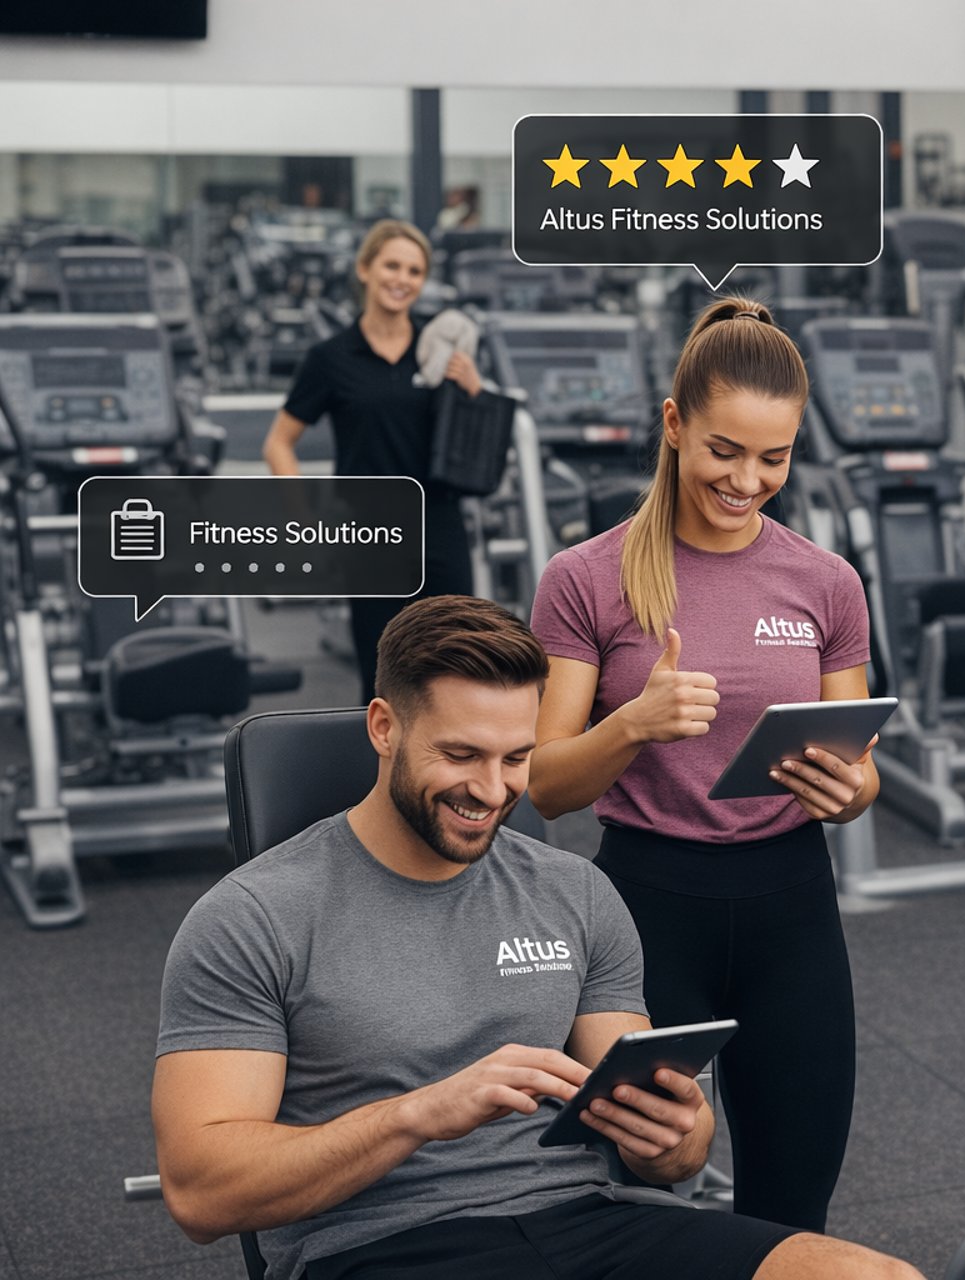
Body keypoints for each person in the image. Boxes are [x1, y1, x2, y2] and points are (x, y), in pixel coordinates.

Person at [152, 596, 918, 1280]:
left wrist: (676, 1135)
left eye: (516, 758)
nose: (492, 791)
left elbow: (675, 1157)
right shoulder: (251, 917)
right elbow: (200, 1192)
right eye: (460, 755)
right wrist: (420, 1113)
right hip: (381, 1245)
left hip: (591, 1224)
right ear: (384, 728)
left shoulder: (575, 892)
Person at [527, 296, 877, 1232]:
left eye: (776, 457)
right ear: (676, 426)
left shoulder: (827, 582)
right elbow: (547, 783)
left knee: (794, 1207)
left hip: (792, 905)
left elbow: (862, 768)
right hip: (646, 907)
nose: (748, 480)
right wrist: (631, 725)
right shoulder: (586, 578)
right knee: (635, 1192)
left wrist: (850, 789)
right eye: (726, 451)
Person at [263, 218, 483, 704]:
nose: (401, 279)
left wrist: (472, 391)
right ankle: (387, 780)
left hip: (440, 527)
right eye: (391, 265)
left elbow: (474, 446)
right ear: (365, 269)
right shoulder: (331, 358)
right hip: (370, 535)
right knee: (385, 681)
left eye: (414, 270)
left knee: (457, 670)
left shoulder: (440, 351)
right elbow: (279, 442)